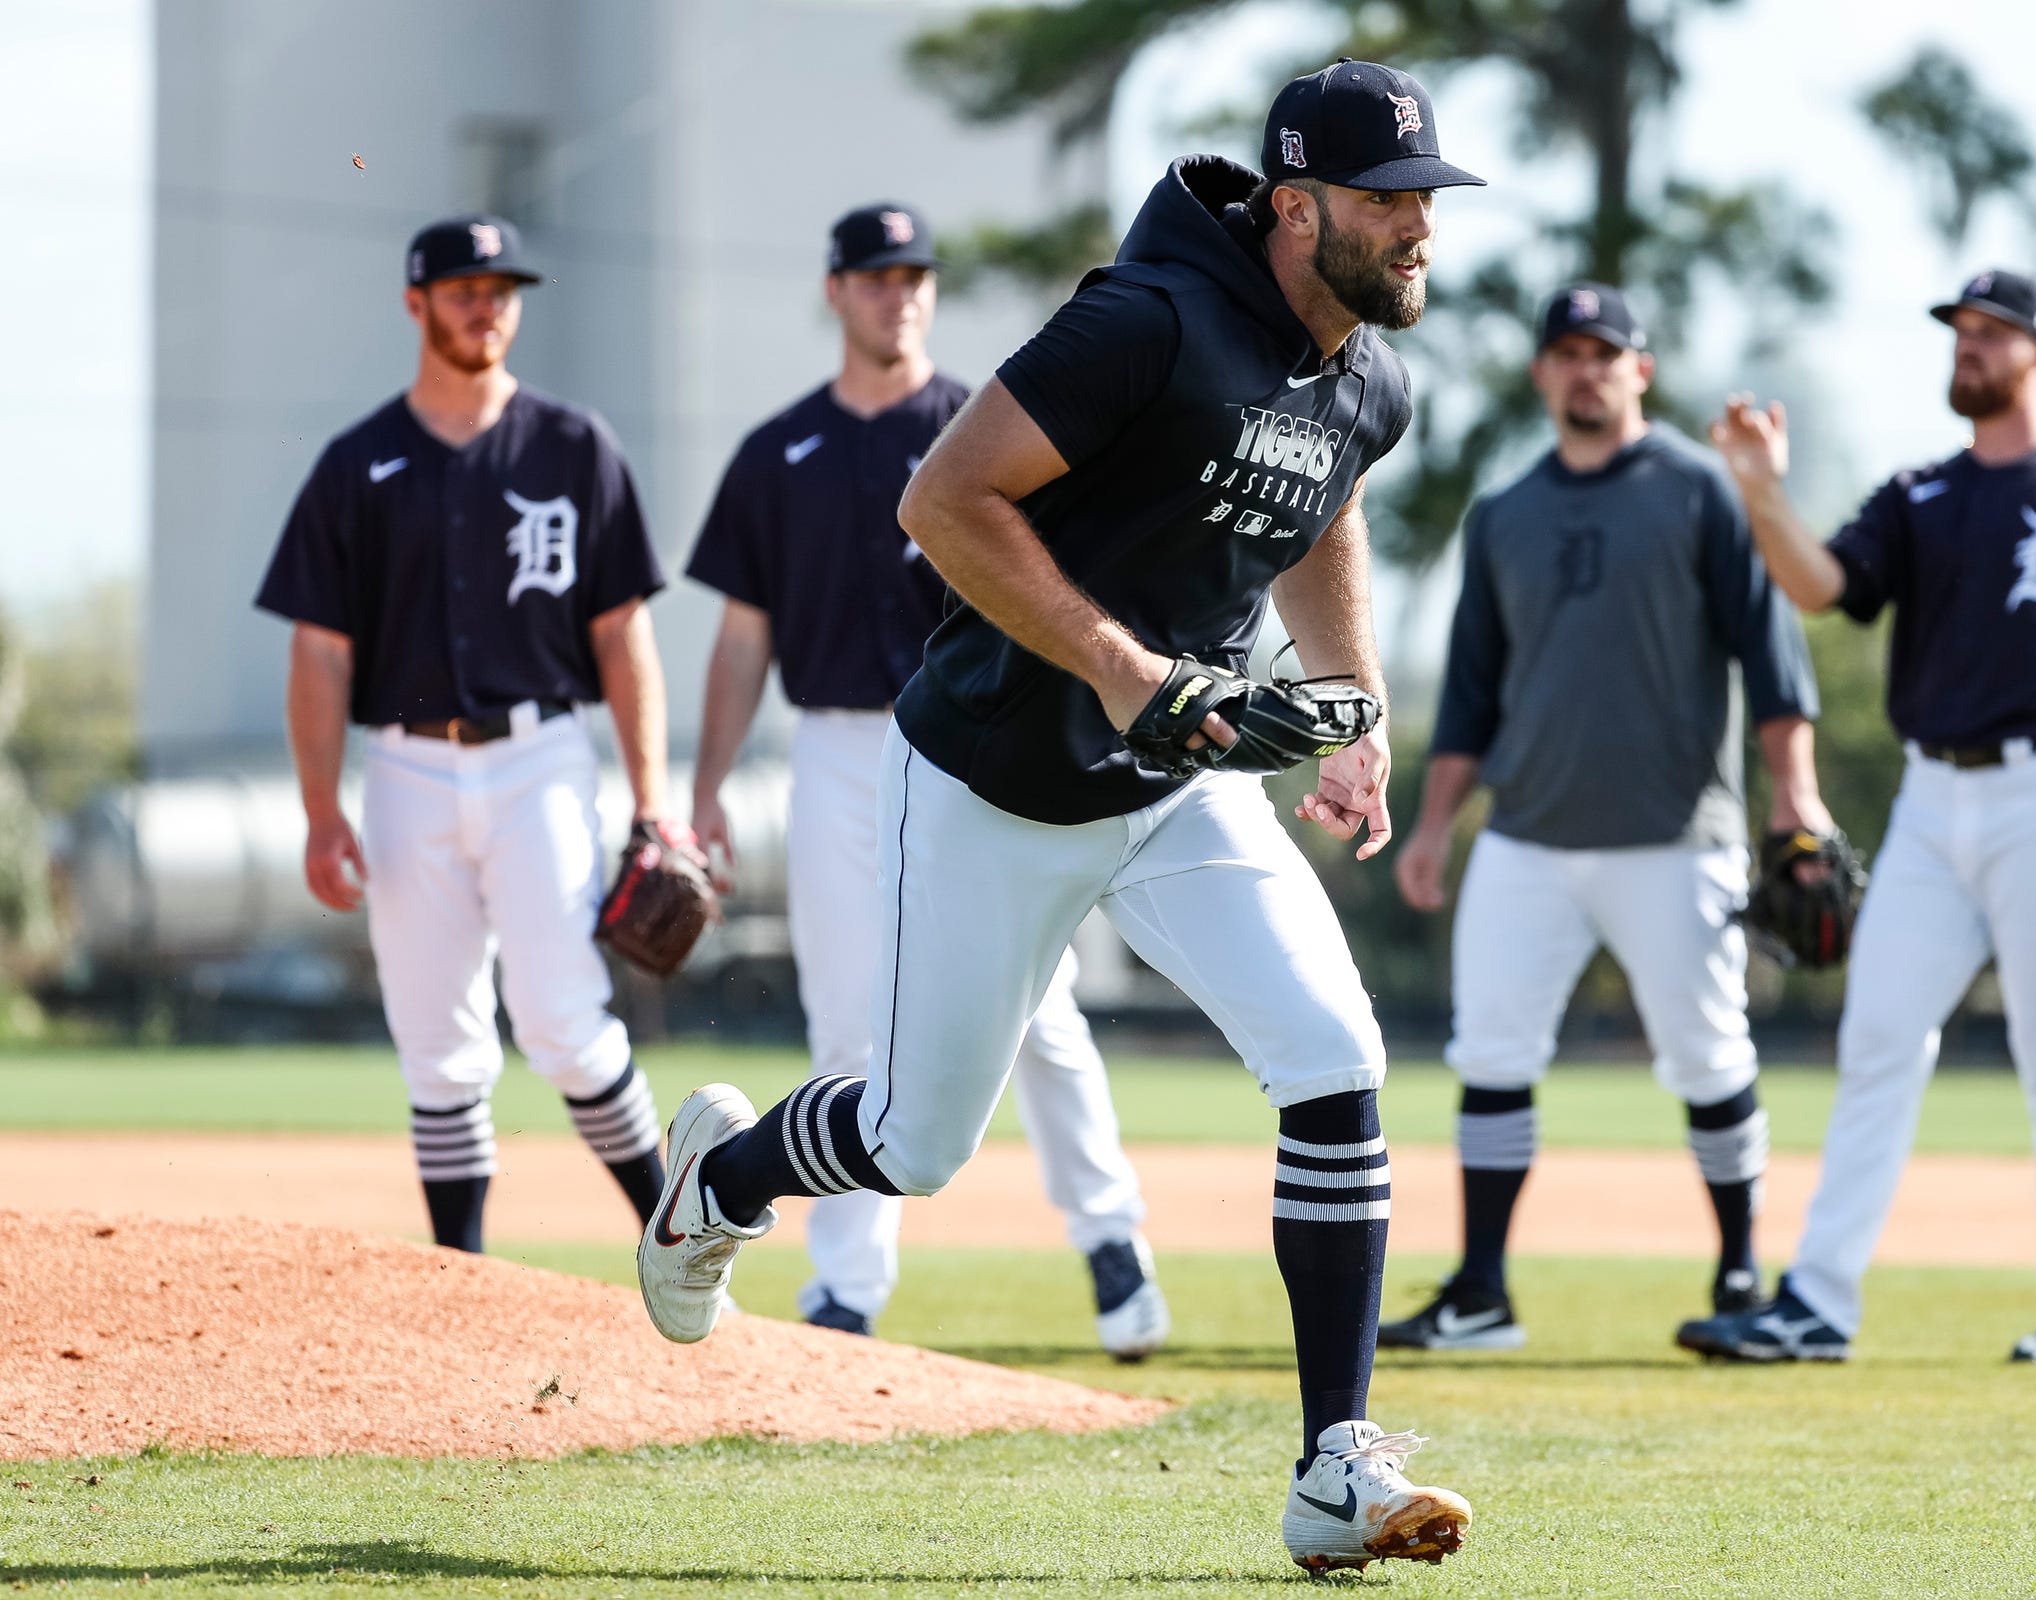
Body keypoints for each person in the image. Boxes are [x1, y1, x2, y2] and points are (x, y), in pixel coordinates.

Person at [639, 61, 1484, 1573]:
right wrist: (1122, 666)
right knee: (914, 1145)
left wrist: (1352, 709)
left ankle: (1333, 1469)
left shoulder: (1368, 375)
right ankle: (722, 1179)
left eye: (1426, 199)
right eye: (1387, 199)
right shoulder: (1146, 322)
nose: (1418, 226)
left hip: (1179, 780)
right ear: (1295, 208)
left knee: (1336, 1057)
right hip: (999, 774)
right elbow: (945, 499)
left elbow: (1327, 495)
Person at [1681, 269, 2036, 1368]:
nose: (1968, 347)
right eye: (1960, 331)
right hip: (1933, 793)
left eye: (1991, 333)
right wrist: (1763, 494)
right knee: (1876, 1039)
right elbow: (1821, 587)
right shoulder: (1921, 494)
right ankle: (1817, 1303)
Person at [684, 200, 1169, 1358]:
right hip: (837, 751)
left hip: (972, 744)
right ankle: (850, 1280)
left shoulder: (979, 425)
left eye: (914, 275)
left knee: (1041, 1012)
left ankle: (1111, 1241)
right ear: (835, 291)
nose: (896, 292)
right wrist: (702, 790)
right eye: (873, 275)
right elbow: (742, 638)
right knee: (847, 1014)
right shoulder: (778, 451)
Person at [1379, 283, 1830, 1353]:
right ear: (1542, 373)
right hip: (1528, 833)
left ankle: (1736, 1271)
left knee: (1709, 1055)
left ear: (1642, 369)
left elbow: (1774, 661)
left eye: (1606, 352)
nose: (1586, 369)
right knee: (1490, 1048)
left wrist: (1795, 797)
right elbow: (1472, 696)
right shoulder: (1504, 514)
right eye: (1567, 353)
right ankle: (1481, 1290)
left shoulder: (1702, 491)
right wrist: (1436, 825)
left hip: (1676, 835)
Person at [256, 215, 675, 1253]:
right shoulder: (359, 464)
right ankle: (464, 1283)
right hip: (405, 766)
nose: (486, 304)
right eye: (462, 289)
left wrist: (654, 805)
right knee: (438, 1047)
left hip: (541, 756)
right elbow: (318, 653)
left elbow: (625, 637)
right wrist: (320, 813)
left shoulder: (575, 445)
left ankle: (680, 1237)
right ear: (416, 303)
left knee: (564, 1024)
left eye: (501, 288)